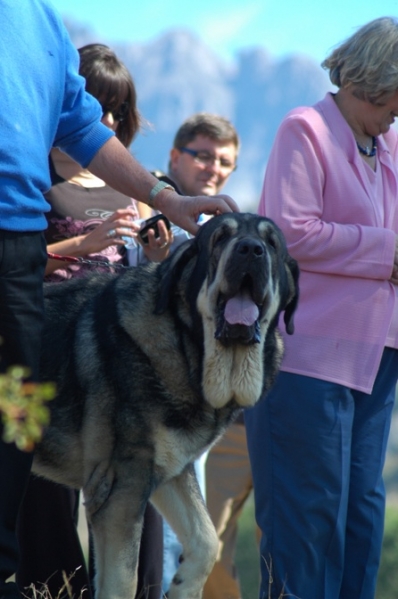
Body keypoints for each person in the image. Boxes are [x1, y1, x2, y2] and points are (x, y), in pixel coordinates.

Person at [0, 4, 238, 599]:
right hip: (43, 279)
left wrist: (166, 198)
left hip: (17, 258)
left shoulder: (42, 21)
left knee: (11, 430)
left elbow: (80, 126)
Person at [244, 16, 398, 599]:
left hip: (376, 358)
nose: (397, 115)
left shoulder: (388, 142)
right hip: (306, 360)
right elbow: (289, 232)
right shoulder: (303, 129)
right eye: (396, 101)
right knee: (307, 523)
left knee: (360, 516)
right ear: (379, 80)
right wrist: (386, 252)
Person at [15, 43, 171, 599]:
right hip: (42, 356)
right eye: (94, 105)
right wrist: (84, 242)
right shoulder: (23, 176)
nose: (105, 120)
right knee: (42, 497)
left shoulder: (137, 184)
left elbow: (148, 285)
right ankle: (55, 590)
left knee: (140, 488)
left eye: (117, 110)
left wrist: (154, 257)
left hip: (119, 365)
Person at [152, 113, 248, 596]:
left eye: (224, 162)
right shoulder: (148, 210)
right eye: (203, 155)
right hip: (155, 394)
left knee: (195, 526)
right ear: (175, 156)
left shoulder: (230, 234)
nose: (214, 169)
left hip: (206, 401)